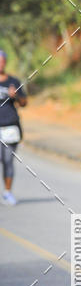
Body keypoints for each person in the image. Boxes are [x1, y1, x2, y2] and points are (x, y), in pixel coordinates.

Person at [0, 49, 27, 207]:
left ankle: (8, 192)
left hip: (10, 126)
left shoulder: (14, 82)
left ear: (5, 63)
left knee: (8, 160)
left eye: (2, 61)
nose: (0, 64)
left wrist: (15, 95)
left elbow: (24, 103)